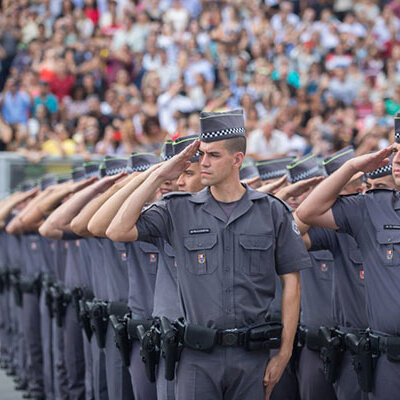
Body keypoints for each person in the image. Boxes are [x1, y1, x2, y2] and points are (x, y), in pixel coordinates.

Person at [106, 108, 311, 399]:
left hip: (251, 357)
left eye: (213, 155)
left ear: (237, 159)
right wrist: (159, 174)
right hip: (196, 357)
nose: (204, 162)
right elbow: (117, 230)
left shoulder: (271, 211)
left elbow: (292, 281)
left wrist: (284, 353)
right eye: (201, 154)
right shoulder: (178, 209)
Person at [296, 140, 400, 399]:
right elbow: (305, 214)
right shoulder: (372, 209)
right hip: (385, 357)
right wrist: (351, 166)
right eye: (396, 152)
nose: (396, 160)